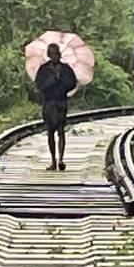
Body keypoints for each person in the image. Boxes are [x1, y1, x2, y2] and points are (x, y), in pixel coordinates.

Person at [35, 43, 77, 171]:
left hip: (60, 102)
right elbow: (40, 86)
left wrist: (61, 80)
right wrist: (53, 78)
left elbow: (72, 83)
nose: (54, 57)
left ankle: (61, 159)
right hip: (48, 102)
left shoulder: (66, 69)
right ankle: (53, 159)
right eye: (52, 54)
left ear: (59, 54)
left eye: (56, 54)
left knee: (61, 130)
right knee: (50, 132)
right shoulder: (44, 70)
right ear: (48, 55)